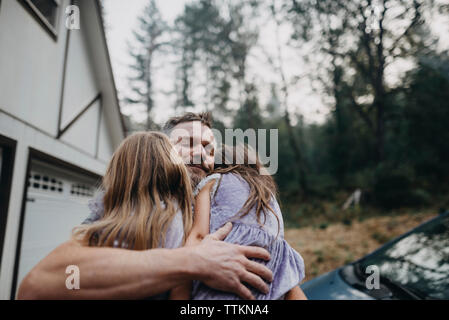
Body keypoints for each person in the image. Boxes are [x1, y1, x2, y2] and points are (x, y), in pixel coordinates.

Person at [16, 113, 273, 300]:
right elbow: (40, 283)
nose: (201, 155)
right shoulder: (133, 206)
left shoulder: (222, 209)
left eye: (208, 149)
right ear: (161, 151)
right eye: (188, 143)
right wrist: (192, 260)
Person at [170, 144, 307, 300]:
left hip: (223, 275)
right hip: (270, 276)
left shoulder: (211, 182)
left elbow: (199, 235)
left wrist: (179, 290)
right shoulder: (267, 194)